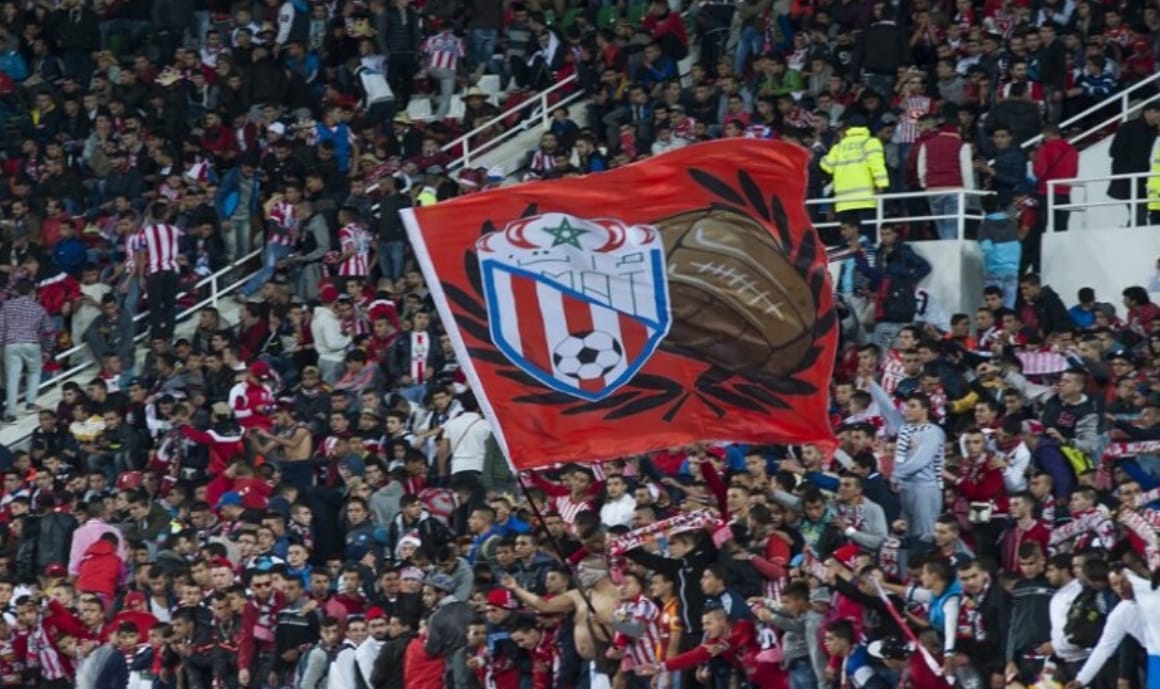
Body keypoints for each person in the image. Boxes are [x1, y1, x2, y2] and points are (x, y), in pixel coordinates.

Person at [820, 115, 890, 238]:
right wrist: (882, 185)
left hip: (844, 202)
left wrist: (836, 143)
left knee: (848, 239)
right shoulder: (870, 142)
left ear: (848, 128)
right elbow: (877, 166)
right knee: (867, 238)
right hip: (866, 200)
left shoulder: (839, 146)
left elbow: (826, 166)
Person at [0, 279, 53, 423]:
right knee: (34, 372)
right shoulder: (38, 308)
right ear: (32, 292)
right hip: (32, 343)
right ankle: (30, 404)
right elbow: (48, 331)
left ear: (17, 291)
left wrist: (1, 345)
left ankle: (11, 413)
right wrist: (47, 349)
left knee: (12, 379)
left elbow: (1, 328)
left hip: (11, 345)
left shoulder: (7, 306)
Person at [1109, 100, 1159, 226]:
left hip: (1147, 181)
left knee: (1143, 214)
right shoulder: (1128, 127)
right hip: (1129, 179)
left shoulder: (1155, 131)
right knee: (1140, 214)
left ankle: (1129, 233)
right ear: (1146, 112)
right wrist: (1128, 169)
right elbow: (1114, 151)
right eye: (1157, 112)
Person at [138, 202, 182, 342]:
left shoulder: (145, 233)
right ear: (166, 215)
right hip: (171, 270)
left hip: (155, 272)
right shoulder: (174, 230)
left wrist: (141, 276)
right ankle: (169, 335)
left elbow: (141, 256)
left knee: (155, 307)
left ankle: (156, 338)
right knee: (170, 305)